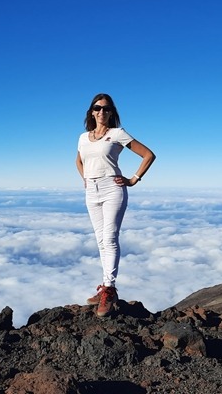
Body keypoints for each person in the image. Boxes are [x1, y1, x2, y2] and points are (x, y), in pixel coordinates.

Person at [75, 93, 156, 317]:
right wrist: (86, 178)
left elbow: (148, 155)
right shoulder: (83, 137)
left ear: (112, 113)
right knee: (101, 240)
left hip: (113, 189)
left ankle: (109, 290)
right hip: (91, 191)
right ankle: (105, 286)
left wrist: (133, 179)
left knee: (110, 239)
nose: (102, 112)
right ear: (91, 112)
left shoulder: (117, 134)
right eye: (97, 108)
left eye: (106, 108)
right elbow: (79, 160)